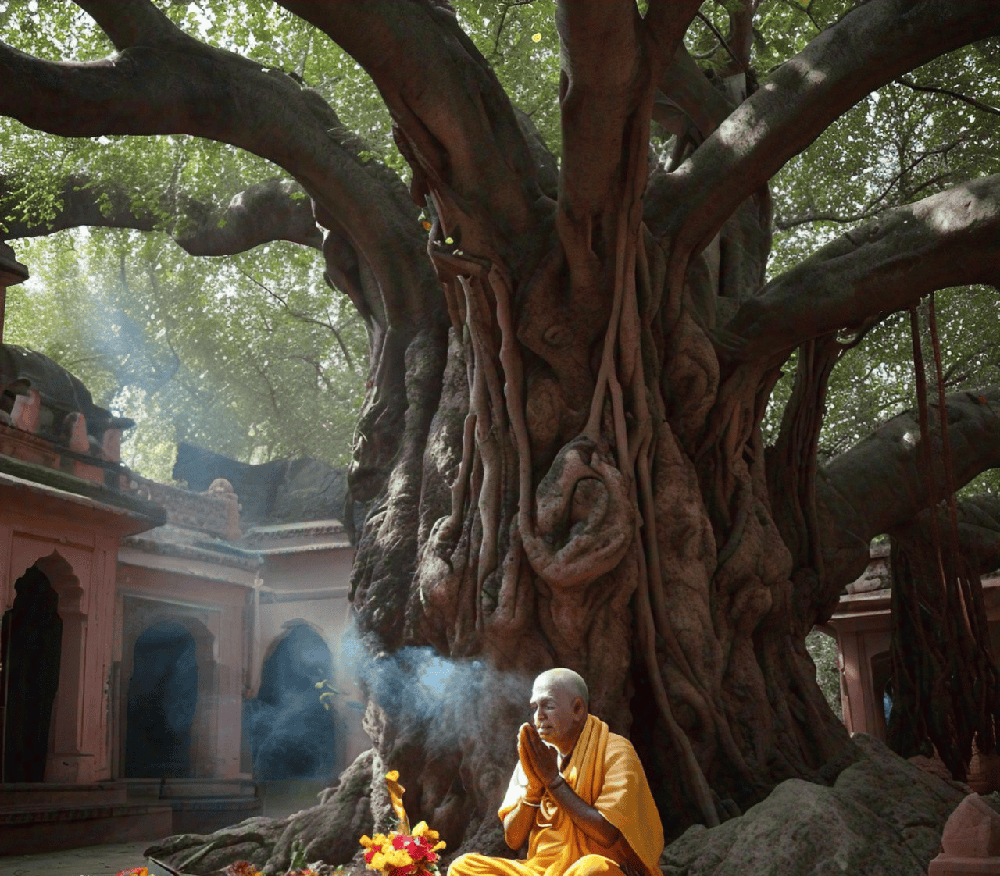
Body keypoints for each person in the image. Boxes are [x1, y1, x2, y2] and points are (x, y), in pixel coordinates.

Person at [450, 669, 663, 876]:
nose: (539, 716)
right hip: (540, 871)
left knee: (594, 870)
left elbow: (606, 834)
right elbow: (513, 839)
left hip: (592, 869)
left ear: (578, 710)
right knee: (463, 867)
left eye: (548, 706)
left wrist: (553, 781)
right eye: (535, 708)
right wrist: (534, 789)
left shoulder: (615, 751)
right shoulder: (536, 755)